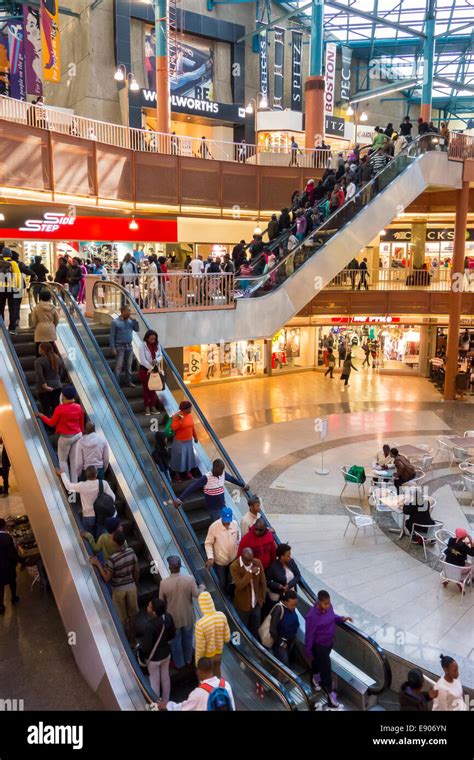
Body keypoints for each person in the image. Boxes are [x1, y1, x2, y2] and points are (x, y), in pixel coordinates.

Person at [305, 590, 352, 709]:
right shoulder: (312, 616)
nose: (328, 605)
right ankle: (331, 697)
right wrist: (308, 650)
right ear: (318, 602)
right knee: (326, 670)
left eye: (329, 602)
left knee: (317, 662)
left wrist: (341, 619)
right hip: (319, 646)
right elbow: (309, 635)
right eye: (325, 603)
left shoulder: (329, 607)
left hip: (328, 644)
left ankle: (315, 677)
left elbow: (332, 617)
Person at [159, 555, 201, 670]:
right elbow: (197, 594)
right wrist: (202, 587)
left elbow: (161, 602)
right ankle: (188, 659)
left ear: (169, 567)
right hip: (188, 617)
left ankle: (179, 664)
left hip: (173, 619)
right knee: (188, 639)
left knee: (175, 643)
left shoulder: (164, 583)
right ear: (180, 567)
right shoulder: (190, 579)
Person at [90, 530, 139, 627]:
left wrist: (98, 564)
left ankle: (124, 639)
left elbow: (107, 578)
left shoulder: (113, 559)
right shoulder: (131, 551)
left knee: (122, 618)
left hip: (118, 590)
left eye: (112, 539)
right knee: (133, 616)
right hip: (131, 587)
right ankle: (133, 640)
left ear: (115, 543)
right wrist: (135, 584)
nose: (110, 540)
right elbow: (137, 570)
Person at [174, 458, 247, 522]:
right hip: (213, 509)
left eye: (222, 470)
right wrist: (180, 499)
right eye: (220, 470)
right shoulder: (206, 478)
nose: (222, 472)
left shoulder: (223, 474)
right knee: (218, 526)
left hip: (222, 506)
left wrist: (243, 485)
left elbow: (232, 479)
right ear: (214, 468)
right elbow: (192, 487)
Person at [37, 385, 84, 480]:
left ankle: (68, 483)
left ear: (63, 396)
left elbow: (51, 423)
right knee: (74, 460)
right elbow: (81, 424)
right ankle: (74, 485)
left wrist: (42, 416)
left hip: (66, 438)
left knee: (63, 461)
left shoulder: (60, 409)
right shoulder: (78, 407)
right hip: (78, 435)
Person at [57, 464, 115, 536]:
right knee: (101, 538)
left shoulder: (82, 485)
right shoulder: (103, 483)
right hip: (101, 516)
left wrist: (63, 474)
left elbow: (68, 487)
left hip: (88, 517)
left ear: (86, 476)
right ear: (96, 474)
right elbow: (113, 497)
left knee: (89, 538)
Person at [159, 656, 234, 711]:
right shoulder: (225, 685)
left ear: (199, 672)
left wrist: (167, 705)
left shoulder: (198, 693)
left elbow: (183, 708)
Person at [141, 597, 175, 702]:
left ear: (154, 612)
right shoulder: (168, 617)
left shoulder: (150, 626)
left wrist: (142, 654)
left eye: (149, 606)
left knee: (154, 681)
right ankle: (166, 701)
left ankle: (156, 703)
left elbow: (146, 647)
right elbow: (172, 634)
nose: (147, 608)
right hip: (166, 654)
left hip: (153, 659)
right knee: (165, 677)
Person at [230, 547, 266, 637]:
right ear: (242, 557)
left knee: (256, 627)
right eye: (248, 561)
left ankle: (255, 643)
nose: (250, 562)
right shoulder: (234, 566)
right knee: (242, 628)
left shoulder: (257, 562)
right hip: (242, 605)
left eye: (251, 559)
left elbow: (263, 581)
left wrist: (262, 598)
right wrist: (250, 572)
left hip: (256, 603)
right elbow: (240, 585)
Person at [194, 591, 231, 677]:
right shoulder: (221, 616)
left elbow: (200, 647)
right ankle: (220, 690)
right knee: (217, 676)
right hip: (218, 655)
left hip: (207, 660)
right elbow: (227, 638)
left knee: (206, 682)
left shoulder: (200, 624)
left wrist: (197, 663)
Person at [204, 506, 240, 595]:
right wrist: (210, 557)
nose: (227, 524)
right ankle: (223, 594)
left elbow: (239, 538)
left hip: (233, 560)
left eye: (228, 521)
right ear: (221, 517)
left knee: (231, 580)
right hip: (221, 562)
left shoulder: (235, 524)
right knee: (222, 581)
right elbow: (208, 543)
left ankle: (229, 594)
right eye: (225, 521)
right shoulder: (214, 527)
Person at [109, 305, 139, 387]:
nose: (129, 313)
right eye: (128, 311)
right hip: (120, 347)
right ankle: (116, 383)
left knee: (128, 366)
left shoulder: (130, 322)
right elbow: (112, 336)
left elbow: (137, 329)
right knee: (119, 366)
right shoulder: (115, 322)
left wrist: (134, 321)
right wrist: (113, 348)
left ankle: (128, 381)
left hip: (129, 346)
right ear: (122, 312)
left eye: (129, 311)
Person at [265, 543, 301, 610]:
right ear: (282, 556)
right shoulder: (273, 567)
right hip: (278, 595)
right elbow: (267, 581)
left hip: (291, 594)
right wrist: (278, 586)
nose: (290, 557)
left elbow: (298, 575)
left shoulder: (291, 562)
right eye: (288, 556)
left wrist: (289, 585)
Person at [169, 400, 198, 481]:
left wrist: (195, 436)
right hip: (180, 442)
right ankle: (177, 474)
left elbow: (192, 427)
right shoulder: (177, 416)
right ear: (185, 409)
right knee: (179, 458)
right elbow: (173, 428)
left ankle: (187, 472)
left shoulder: (190, 416)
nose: (191, 410)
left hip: (188, 441)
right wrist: (180, 421)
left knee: (188, 457)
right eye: (189, 408)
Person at [34, 342, 65, 417]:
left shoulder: (38, 361)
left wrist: (45, 385)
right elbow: (61, 373)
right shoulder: (58, 360)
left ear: (42, 350)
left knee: (46, 409)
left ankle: (49, 427)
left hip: (43, 389)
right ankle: (57, 426)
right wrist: (57, 382)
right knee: (56, 408)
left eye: (40, 348)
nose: (39, 350)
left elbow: (40, 374)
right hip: (57, 386)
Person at [270, 589, 299, 666]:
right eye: (292, 605)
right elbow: (272, 629)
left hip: (290, 641)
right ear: (285, 602)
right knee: (284, 664)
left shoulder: (292, 609)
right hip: (280, 644)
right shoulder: (278, 609)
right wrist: (281, 643)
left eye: (295, 605)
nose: (294, 607)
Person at [0, 517, 23, 613]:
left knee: (0, 586)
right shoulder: (7, 538)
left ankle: (1, 606)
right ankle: (14, 597)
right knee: (12, 582)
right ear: (4, 526)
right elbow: (11, 554)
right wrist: (21, 560)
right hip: (8, 566)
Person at [138, 329, 163, 416]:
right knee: (146, 389)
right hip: (145, 370)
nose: (153, 341)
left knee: (154, 388)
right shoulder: (142, 346)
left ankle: (152, 405)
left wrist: (156, 360)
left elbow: (160, 355)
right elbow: (143, 359)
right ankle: (147, 407)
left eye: (154, 339)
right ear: (147, 338)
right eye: (151, 339)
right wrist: (151, 367)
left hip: (155, 370)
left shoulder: (157, 345)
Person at [30, 289, 59, 356]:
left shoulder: (36, 308)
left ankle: (39, 364)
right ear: (49, 298)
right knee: (51, 349)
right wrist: (53, 325)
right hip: (50, 329)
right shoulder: (53, 307)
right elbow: (57, 320)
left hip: (40, 329)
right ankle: (51, 363)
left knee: (38, 349)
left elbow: (34, 320)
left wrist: (36, 326)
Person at [0, 247, 21, 333]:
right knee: (12, 308)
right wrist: (18, 287)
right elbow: (18, 276)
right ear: (10, 254)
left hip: (1, 288)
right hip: (11, 288)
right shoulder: (13, 263)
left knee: (0, 308)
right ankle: (12, 328)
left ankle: (1, 327)